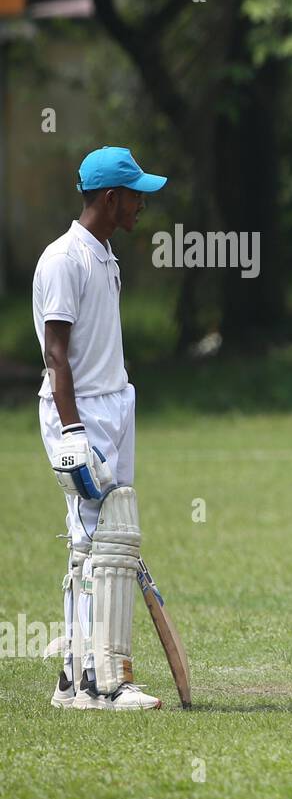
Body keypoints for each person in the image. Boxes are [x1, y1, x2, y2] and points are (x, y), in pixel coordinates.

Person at [35, 146, 168, 710]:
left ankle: (77, 679)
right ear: (111, 198)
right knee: (101, 539)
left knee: (100, 542)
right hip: (80, 410)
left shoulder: (105, 256)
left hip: (114, 404)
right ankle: (102, 682)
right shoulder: (64, 258)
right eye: (136, 194)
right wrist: (72, 433)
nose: (143, 204)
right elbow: (55, 355)